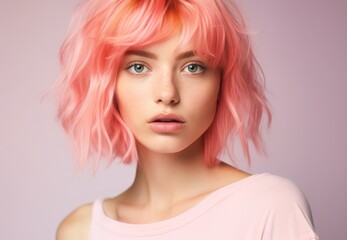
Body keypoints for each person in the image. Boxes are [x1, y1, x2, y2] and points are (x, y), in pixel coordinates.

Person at [55, 0, 319, 239]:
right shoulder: (81, 230)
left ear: (221, 83)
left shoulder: (270, 206)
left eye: (193, 67)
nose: (167, 94)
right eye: (138, 67)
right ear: (108, 86)